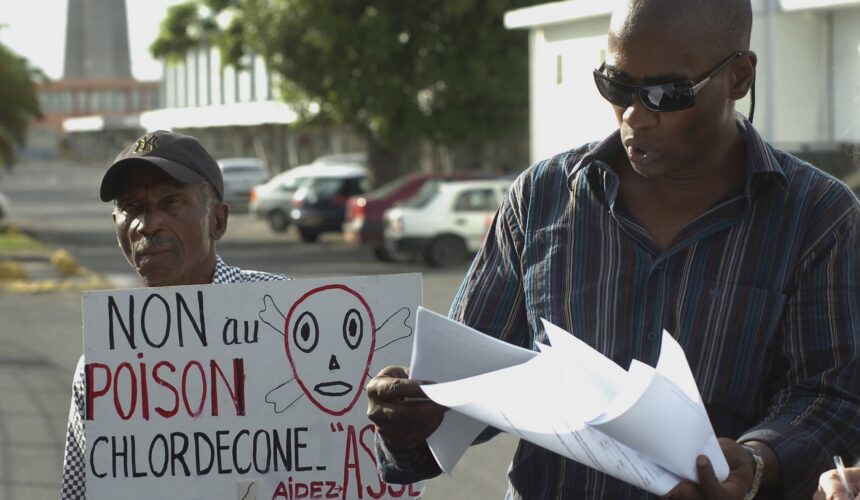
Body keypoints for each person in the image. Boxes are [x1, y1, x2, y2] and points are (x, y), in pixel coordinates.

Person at [366, 0, 860, 498]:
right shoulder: (541, 197)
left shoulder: (817, 216)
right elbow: (475, 389)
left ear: (738, 77)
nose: (634, 115)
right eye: (615, 85)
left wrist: (756, 460)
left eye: (666, 94)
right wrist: (417, 416)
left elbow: (831, 397)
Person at [60, 130, 290, 500]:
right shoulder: (103, 365)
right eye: (132, 206)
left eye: (170, 202)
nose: (147, 225)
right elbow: (79, 492)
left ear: (218, 221)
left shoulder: (282, 314)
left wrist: (397, 436)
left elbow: (352, 449)